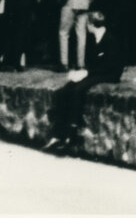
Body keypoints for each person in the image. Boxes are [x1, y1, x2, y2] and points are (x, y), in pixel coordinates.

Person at [45, 10, 124, 152]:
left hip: (108, 74)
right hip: (97, 72)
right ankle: (59, 133)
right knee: (66, 89)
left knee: (79, 90)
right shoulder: (94, 38)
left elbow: (111, 66)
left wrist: (86, 72)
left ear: (90, 24)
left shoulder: (110, 39)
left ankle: (72, 132)